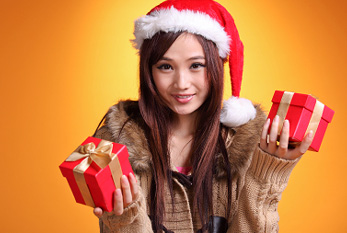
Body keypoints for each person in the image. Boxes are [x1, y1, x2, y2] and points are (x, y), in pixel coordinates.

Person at [92, 0, 313, 232]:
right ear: (149, 71)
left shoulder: (247, 146)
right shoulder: (114, 146)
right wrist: (125, 219)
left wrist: (266, 175)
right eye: (166, 67)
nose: (181, 83)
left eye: (196, 65)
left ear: (217, 67)